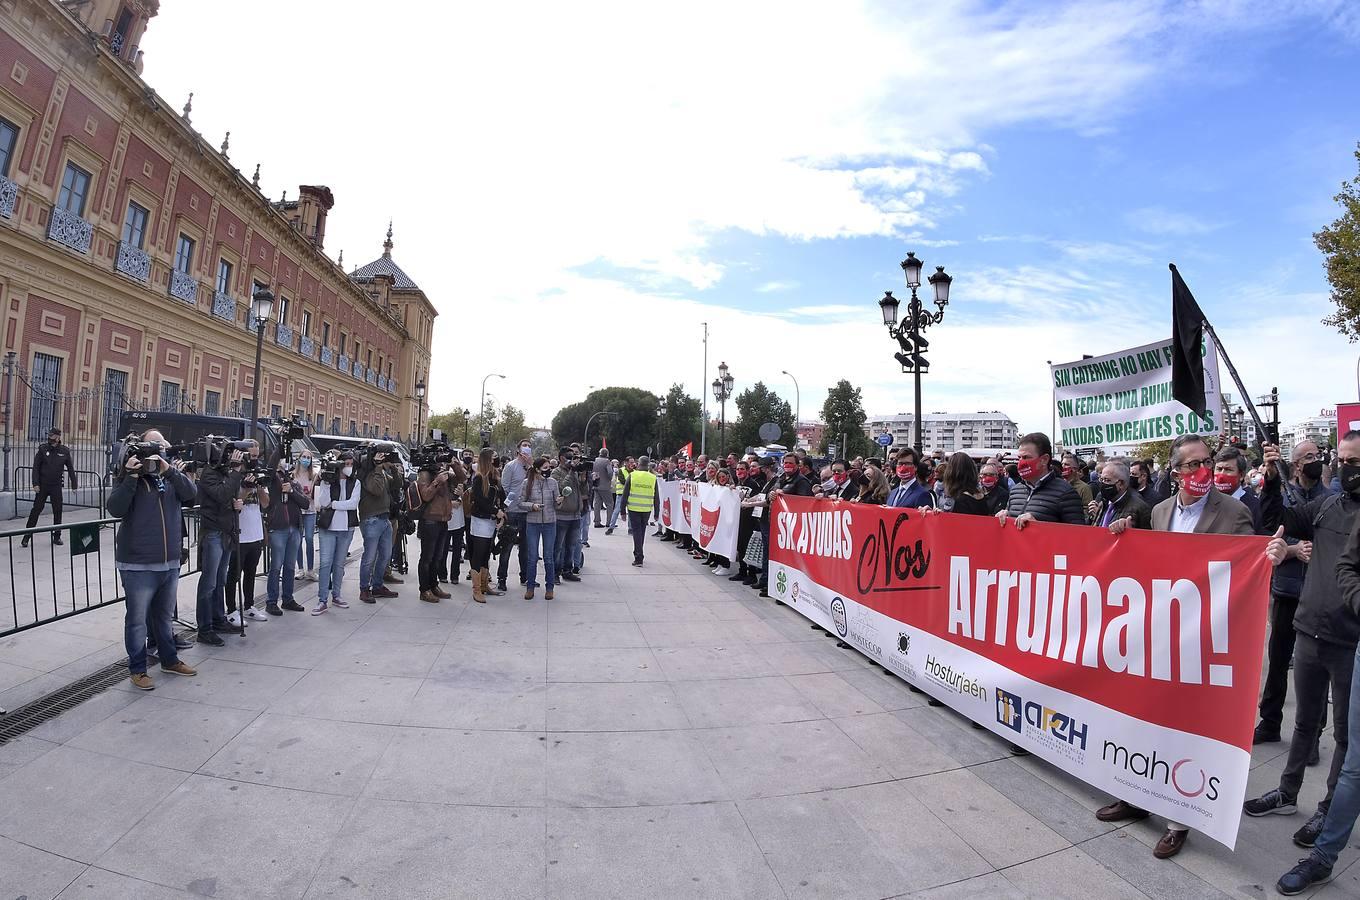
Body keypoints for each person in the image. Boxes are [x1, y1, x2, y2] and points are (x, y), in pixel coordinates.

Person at [1097, 434, 1254, 860]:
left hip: (1202, 639)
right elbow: (1149, 569)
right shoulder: (1160, 511)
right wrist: (1123, 536)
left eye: (1208, 462)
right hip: (1160, 633)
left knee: (1184, 727)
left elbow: (1244, 573)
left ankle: (1177, 821)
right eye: (1194, 464)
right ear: (1176, 471)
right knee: (1144, 717)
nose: (1203, 470)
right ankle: (1135, 796)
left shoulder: (1236, 513)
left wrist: (1272, 555)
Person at [1244, 435, 1358, 852]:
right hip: (1309, 631)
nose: (1347, 468)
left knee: (1345, 735)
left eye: (1355, 461)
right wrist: (1271, 477)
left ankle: (1330, 807)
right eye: (1342, 460)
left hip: (1350, 643)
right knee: (1305, 723)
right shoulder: (1327, 505)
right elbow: (1279, 519)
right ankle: (1287, 793)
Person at [1256, 439, 1336, 748]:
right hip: (1287, 591)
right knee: (1278, 661)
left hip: (1318, 595)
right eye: (1309, 457)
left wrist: (1316, 551)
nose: (1317, 460)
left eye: (1318, 455)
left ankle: (1313, 734)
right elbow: (1270, 523)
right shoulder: (1285, 500)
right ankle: (1270, 722)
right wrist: (1292, 550)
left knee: (1315, 669)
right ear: (1297, 464)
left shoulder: (1332, 499)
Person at [107, 435, 197, 690]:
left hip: (169, 562)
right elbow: (115, 508)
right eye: (153, 446)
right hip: (138, 563)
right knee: (137, 621)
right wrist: (130, 477)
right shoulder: (129, 476)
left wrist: (169, 471)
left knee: (164, 618)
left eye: (162, 447)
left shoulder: (170, 477)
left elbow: (191, 494)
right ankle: (138, 669)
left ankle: (169, 660)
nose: (158, 451)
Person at [194, 442, 250, 645]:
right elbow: (222, 494)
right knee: (209, 582)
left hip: (226, 532)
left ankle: (218, 619)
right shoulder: (209, 473)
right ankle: (204, 627)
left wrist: (238, 504)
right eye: (227, 453)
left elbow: (230, 497)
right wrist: (235, 472)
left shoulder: (228, 474)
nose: (231, 458)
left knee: (220, 580)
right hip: (213, 533)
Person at [998, 433, 1086, 528]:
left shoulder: (1066, 493)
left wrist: (1039, 527)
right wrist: (1005, 517)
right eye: (1019, 458)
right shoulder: (1016, 490)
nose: (1021, 463)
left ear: (1044, 459)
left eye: (1026, 457)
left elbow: (1077, 536)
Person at [312, 453, 361, 615]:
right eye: (345, 463)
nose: (348, 466)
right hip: (328, 527)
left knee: (339, 564)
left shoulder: (356, 482)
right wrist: (326, 484)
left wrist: (334, 504)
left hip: (346, 528)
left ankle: (337, 595)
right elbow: (324, 502)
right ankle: (322, 599)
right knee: (326, 563)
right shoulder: (328, 481)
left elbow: (353, 504)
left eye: (350, 463)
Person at [226, 463, 269, 625]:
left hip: (255, 534)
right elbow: (234, 505)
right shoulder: (234, 478)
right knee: (233, 575)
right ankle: (231, 610)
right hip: (239, 535)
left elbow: (265, 503)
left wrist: (258, 487)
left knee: (250, 573)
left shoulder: (259, 477)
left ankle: (249, 605)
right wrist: (245, 489)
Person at [265, 459, 310, 615]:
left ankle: (288, 598)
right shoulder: (272, 482)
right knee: (276, 566)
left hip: (294, 529)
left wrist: (292, 491)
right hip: (278, 529)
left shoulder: (294, 484)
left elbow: (305, 503)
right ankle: (271, 601)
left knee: (290, 566)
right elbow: (270, 471)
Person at [358, 445, 401, 604]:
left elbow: (396, 485)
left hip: (385, 519)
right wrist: (377, 468)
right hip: (371, 519)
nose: (385, 458)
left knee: (385, 555)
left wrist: (394, 469)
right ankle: (364, 589)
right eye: (383, 455)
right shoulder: (367, 473)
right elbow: (376, 490)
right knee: (369, 557)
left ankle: (377, 586)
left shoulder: (382, 473)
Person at [22, 426, 77, 546]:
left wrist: (74, 485)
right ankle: (27, 536)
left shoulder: (64, 451)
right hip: (42, 486)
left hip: (56, 486)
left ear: (58, 438)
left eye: (52, 436)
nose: (49, 438)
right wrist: (35, 483)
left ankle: (57, 536)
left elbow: (71, 469)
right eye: (49, 436)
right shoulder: (42, 449)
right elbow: (35, 467)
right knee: (36, 510)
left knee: (58, 511)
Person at [517, 455, 561, 599]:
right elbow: (520, 503)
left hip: (550, 522)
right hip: (533, 523)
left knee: (549, 557)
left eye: (550, 468)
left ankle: (550, 587)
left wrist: (559, 501)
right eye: (545, 468)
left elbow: (556, 504)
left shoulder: (553, 482)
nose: (548, 471)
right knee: (532, 557)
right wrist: (532, 506)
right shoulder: (527, 483)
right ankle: (530, 587)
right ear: (537, 469)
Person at [466, 448, 506, 603]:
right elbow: (480, 501)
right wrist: (496, 511)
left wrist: (501, 510)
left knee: (487, 554)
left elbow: (501, 496)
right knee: (478, 554)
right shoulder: (479, 478)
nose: (496, 459)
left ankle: (484, 585)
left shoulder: (494, 476)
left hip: (490, 521)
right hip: (480, 520)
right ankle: (476, 589)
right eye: (493, 457)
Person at [415, 459, 455, 603]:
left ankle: (433, 585)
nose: (443, 462)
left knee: (437, 556)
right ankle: (424, 589)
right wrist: (437, 481)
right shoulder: (425, 474)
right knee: (427, 557)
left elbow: (462, 478)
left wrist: (455, 465)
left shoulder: (445, 472)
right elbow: (425, 495)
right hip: (430, 520)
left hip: (443, 520)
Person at [498, 439, 534, 593]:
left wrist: (531, 466)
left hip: (527, 512)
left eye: (529, 446)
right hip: (512, 511)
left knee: (526, 547)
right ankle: (502, 578)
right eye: (524, 446)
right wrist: (505, 507)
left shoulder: (532, 468)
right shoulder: (510, 466)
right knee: (506, 547)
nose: (527, 448)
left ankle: (525, 577)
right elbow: (504, 488)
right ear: (518, 450)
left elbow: (538, 483)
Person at [1088, 458, 1152, 531]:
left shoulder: (1139, 508)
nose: (1103, 484)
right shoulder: (1103, 503)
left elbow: (1145, 539)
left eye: (1107, 480)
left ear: (1121, 483)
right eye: (1101, 479)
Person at [552, 448, 586, 584]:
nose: (572, 459)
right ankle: (555, 573)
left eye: (574, 457)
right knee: (558, 546)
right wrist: (572, 472)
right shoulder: (556, 472)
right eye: (569, 457)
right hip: (562, 515)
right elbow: (562, 488)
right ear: (561, 458)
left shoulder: (575, 472)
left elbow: (584, 491)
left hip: (575, 515)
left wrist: (583, 478)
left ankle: (567, 570)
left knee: (571, 546)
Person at [619, 454, 659, 567]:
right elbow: (657, 496)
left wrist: (622, 511)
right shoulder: (653, 477)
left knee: (636, 532)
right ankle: (639, 553)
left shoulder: (632, 475)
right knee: (642, 531)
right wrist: (656, 512)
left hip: (633, 508)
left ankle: (638, 557)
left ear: (638, 463)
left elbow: (625, 494)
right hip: (646, 509)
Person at [1215, 446, 1264, 533]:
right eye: (1219, 469)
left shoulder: (1253, 505)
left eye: (1228, 470)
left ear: (1241, 476)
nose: (1221, 475)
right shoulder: (1205, 501)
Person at [293, 454, 319, 581]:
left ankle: (310, 569)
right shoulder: (294, 474)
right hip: (298, 510)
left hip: (310, 509)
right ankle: (300, 569)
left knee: (309, 538)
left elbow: (316, 491)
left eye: (309, 457)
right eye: (304, 457)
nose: (306, 459)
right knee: (297, 539)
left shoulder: (314, 475)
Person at [606, 457, 634, 535]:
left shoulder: (634, 471)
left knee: (631, 511)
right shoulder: (621, 470)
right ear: (626, 462)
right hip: (621, 494)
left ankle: (630, 529)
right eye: (630, 462)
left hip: (631, 494)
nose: (632, 464)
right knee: (617, 510)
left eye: (633, 462)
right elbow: (623, 481)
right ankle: (611, 527)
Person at [592, 448, 613, 527]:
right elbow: (610, 472)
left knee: (597, 504)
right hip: (605, 486)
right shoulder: (607, 461)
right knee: (609, 504)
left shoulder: (595, 460)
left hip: (596, 484)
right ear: (607, 454)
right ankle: (609, 522)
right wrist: (609, 479)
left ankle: (597, 521)